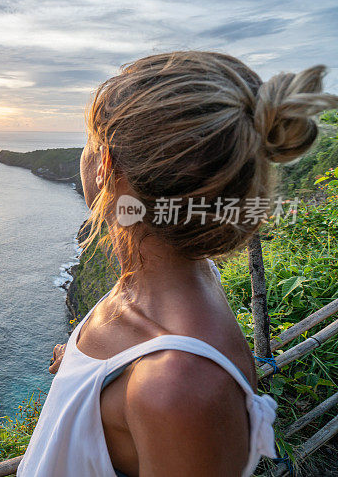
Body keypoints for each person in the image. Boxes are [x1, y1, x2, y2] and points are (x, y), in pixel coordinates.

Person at [18, 52, 338, 477]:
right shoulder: (160, 283)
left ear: (106, 165)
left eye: (91, 141)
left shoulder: (178, 388)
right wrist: (80, 367)